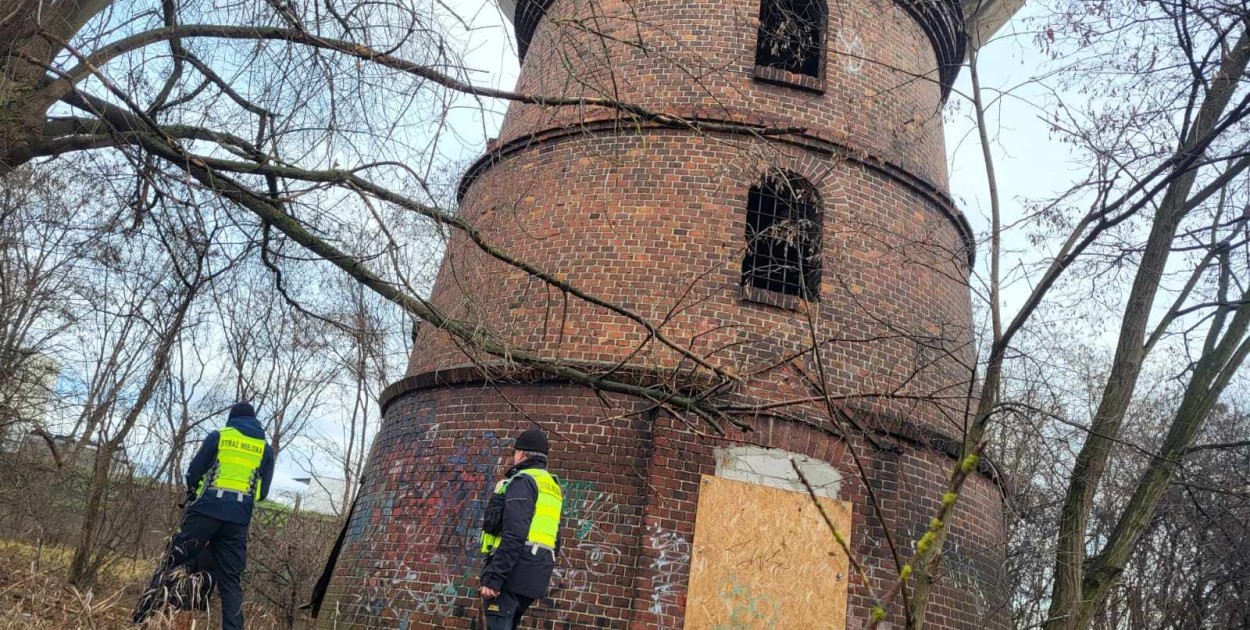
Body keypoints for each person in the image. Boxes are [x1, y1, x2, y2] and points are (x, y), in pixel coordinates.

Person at [136, 402, 274, 630]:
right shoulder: (264, 448)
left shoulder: (219, 436)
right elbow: (262, 493)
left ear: (232, 419)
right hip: (238, 519)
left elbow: (194, 472)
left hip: (206, 511)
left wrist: (195, 491)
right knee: (230, 580)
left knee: (172, 561)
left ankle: (142, 618)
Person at [478, 428, 564, 630]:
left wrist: (494, 577)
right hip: (536, 574)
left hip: (511, 574)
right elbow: (556, 539)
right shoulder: (552, 486)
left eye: (515, 452)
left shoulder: (523, 481)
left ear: (523, 454)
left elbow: (514, 533)